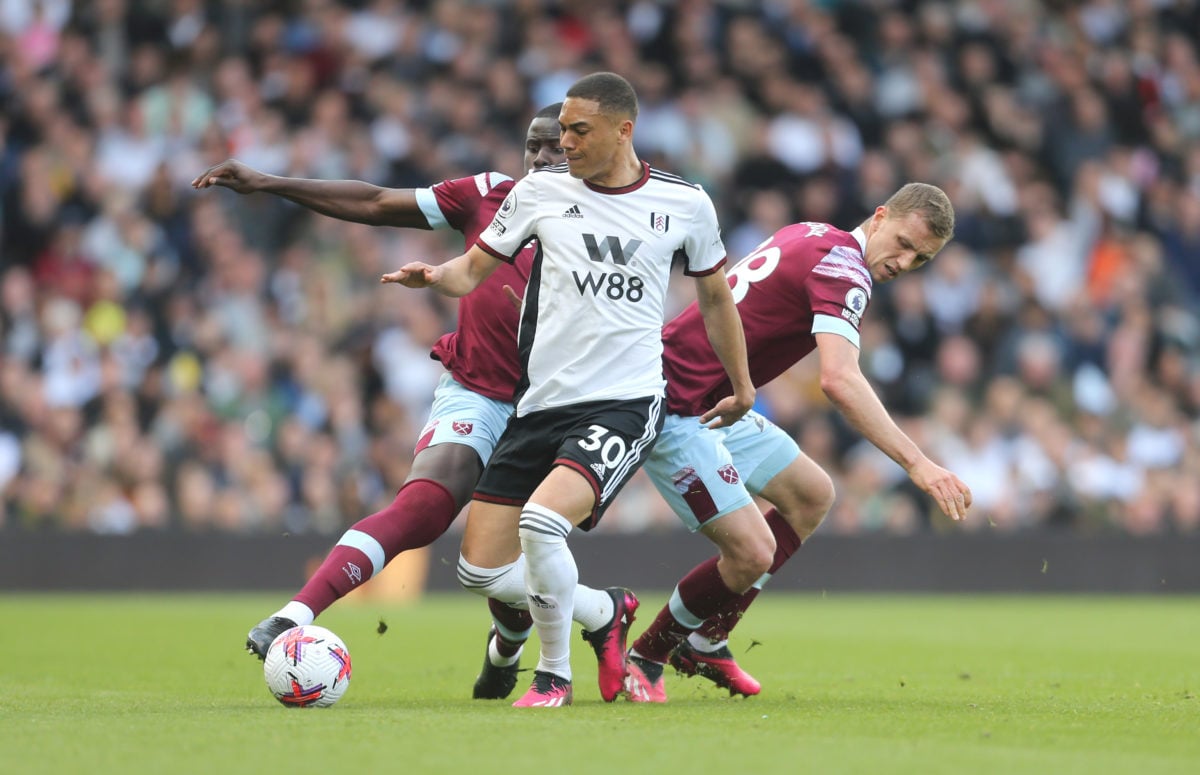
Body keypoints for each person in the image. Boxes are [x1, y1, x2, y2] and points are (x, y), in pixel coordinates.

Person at [381, 72, 755, 708]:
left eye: (579, 132)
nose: (565, 143)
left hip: (624, 401)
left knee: (542, 520)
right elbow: (472, 270)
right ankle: (606, 609)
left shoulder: (685, 204)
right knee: (480, 569)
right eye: (562, 132)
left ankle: (553, 677)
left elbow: (716, 297)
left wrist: (743, 385)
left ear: (623, 130)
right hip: (541, 402)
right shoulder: (539, 193)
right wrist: (433, 276)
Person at [190, 104, 568, 700]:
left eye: (561, 148)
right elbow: (375, 202)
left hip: (558, 407)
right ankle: (295, 614)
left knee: (507, 556)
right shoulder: (489, 195)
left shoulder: (619, 220)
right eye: (535, 146)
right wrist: (270, 182)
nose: (544, 158)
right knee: (423, 506)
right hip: (478, 389)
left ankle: (511, 647)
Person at [620, 182, 974, 702]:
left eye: (920, 259)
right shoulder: (845, 270)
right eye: (902, 243)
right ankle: (649, 652)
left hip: (718, 400)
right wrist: (919, 463)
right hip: (675, 403)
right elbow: (839, 380)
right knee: (752, 554)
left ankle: (707, 639)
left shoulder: (811, 234)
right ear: (879, 216)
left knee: (812, 494)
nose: (904, 261)